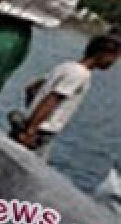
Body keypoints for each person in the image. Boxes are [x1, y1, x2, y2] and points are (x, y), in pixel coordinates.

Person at [8, 32, 121, 160]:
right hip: (39, 133)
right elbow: (53, 99)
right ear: (102, 53)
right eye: (114, 58)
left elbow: (31, 88)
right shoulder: (80, 74)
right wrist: (31, 131)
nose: (113, 63)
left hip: (30, 125)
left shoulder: (66, 66)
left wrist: (32, 112)